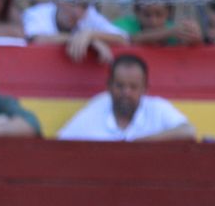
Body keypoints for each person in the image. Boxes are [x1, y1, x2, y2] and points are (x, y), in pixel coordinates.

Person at [58, 54, 197, 142]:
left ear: (145, 89)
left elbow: (188, 131)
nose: (126, 92)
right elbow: (63, 140)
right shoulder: (99, 105)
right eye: (120, 86)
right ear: (109, 86)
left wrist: (139, 143)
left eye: (133, 87)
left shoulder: (157, 107)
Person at [23, 0, 127, 63]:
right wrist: (89, 40)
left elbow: (123, 38)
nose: (77, 12)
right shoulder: (37, 13)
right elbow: (37, 39)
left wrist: (90, 35)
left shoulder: (89, 14)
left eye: (84, 6)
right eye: (73, 3)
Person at [112, 0, 199, 46]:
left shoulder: (174, 30)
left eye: (159, 15)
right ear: (136, 11)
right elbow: (131, 39)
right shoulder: (121, 25)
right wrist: (169, 33)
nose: (153, 21)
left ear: (168, 12)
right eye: (147, 15)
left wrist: (194, 38)